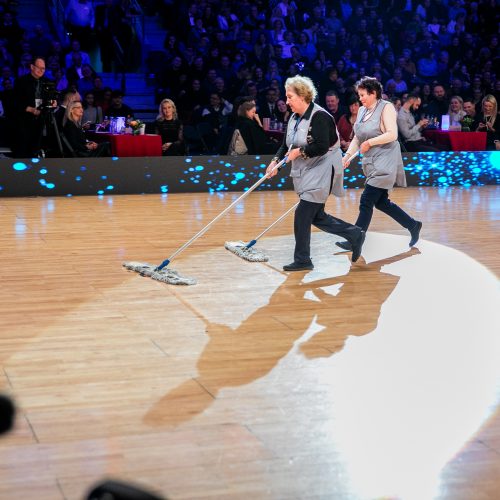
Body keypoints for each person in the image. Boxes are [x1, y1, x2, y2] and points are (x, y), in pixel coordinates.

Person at [266, 75, 365, 271]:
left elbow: (320, 146)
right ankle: (354, 234)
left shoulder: (320, 116)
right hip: (308, 168)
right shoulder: (294, 118)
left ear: (303, 96)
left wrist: (298, 152)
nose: (287, 102)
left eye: (290, 97)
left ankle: (303, 259)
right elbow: (286, 145)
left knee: (303, 213)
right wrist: (275, 162)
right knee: (317, 216)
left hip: (324, 168)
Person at [339, 77, 422, 251]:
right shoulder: (361, 111)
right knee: (381, 202)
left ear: (373, 93)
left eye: (362, 95)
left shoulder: (387, 107)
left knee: (367, 200)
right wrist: (346, 156)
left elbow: (392, 134)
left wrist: (370, 143)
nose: (360, 98)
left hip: (386, 160)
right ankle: (413, 225)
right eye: (359, 95)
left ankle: (356, 238)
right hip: (371, 161)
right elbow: (357, 138)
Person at [12, 56, 55, 158]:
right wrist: (30, 109)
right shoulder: (21, 81)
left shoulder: (47, 82)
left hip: (42, 121)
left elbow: (52, 98)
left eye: (43, 68)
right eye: (38, 67)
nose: (41, 70)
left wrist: (53, 102)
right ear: (31, 67)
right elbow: (15, 101)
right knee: (23, 151)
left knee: (38, 150)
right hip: (24, 121)